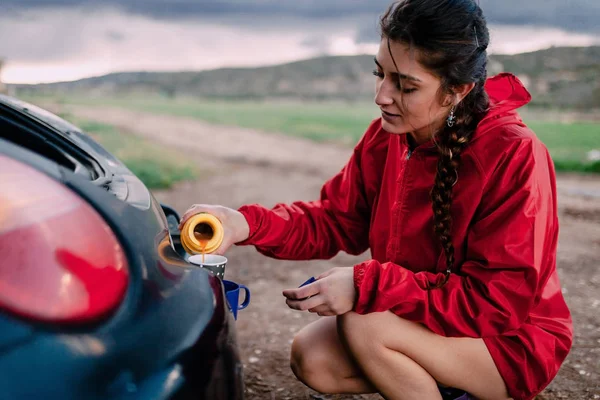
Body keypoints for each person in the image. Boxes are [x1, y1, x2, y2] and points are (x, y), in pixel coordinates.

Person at [178, 0, 573, 398]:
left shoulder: (513, 153)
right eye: (379, 73)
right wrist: (245, 223)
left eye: (405, 85)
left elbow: (498, 303)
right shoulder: (387, 138)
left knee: (365, 323)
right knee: (312, 356)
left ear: (458, 90)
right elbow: (335, 219)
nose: (382, 96)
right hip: (429, 319)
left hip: (509, 339)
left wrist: (368, 285)